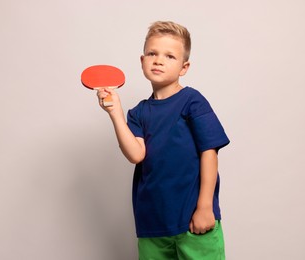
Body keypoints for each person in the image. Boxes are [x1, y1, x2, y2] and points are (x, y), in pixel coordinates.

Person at [97, 21, 230, 260]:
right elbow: (136, 154)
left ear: (184, 67)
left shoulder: (192, 101)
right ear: (142, 61)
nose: (159, 60)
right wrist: (115, 112)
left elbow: (209, 152)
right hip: (153, 225)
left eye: (170, 56)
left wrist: (205, 207)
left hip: (193, 219)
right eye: (152, 53)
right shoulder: (137, 113)